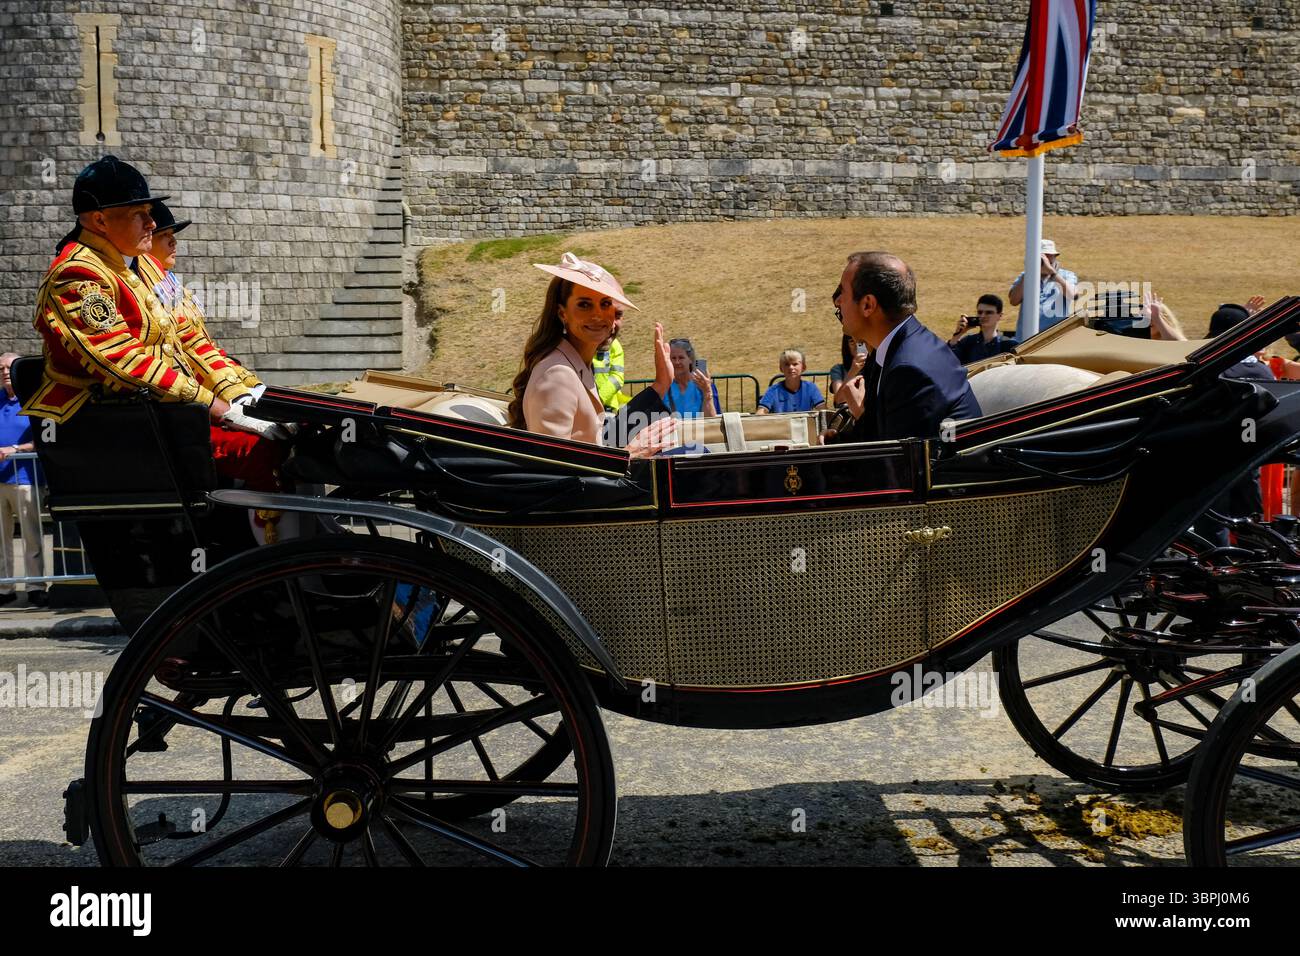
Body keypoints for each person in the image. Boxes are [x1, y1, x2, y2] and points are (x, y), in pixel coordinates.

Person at [23, 156, 288, 494]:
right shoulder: (77, 274)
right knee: (268, 452)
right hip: (113, 422)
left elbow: (192, 340)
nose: (152, 223)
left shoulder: (145, 265)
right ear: (100, 220)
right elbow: (126, 362)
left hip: (167, 412)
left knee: (294, 436)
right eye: (140, 214)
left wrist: (244, 396)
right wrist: (221, 410)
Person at [507, 253, 676, 457]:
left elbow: (599, 439)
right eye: (584, 305)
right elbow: (554, 470)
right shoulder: (557, 374)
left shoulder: (577, 364)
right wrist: (631, 455)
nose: (597, 315)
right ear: (562, 313)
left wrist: (661, 384)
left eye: (605, 304)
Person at [833, 251, 982, 442]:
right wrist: (834, 441)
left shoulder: (909, 369)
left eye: (843, 291)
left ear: (868, 305)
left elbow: (896, 462)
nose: (838, 301)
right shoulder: (890, 351)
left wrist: (860, 415)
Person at [132, 200, 262, 398]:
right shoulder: (146, 289)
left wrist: (246, 381)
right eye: (164, 235)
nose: (173, 242)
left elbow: (203, 344)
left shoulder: (174, 285)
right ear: (146, 241)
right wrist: (234, 392)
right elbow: (186, 348)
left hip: (209, 379)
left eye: (173, 235)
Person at [0, 353, 45, 607]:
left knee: (31, 536)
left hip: (25, 477)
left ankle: (36, 586)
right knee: (1, 538)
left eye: (9, 367)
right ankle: (5, 587)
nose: (5, 372)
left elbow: (41, 440)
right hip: (0, 481)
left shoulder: (33, 401)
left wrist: (15, 449)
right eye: (1, 368)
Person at [1008, 239, 1078, 332]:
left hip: (1054, 338)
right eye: (1042, 257)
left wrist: (1053, 273)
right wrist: (1029, 270)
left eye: (1049, 256)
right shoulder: (1026, 276)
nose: (1046, 260)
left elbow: (1073, 295)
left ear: (1055, 256)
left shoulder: (1067, 275)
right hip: (1026, 338)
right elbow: (1013, 301)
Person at [947, 294, 1019, 364]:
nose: (983, 316)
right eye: (980, 312)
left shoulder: (1009, 345)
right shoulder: (968, 341)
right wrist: (957, 335)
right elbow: (948, 362)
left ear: (1000, 316)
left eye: (989, 312)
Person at [758, 349, 825, 414]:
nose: (791, 367)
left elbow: (823, 409)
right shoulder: (773, 390)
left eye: (795, 364)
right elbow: (761, 413)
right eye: (787, 364)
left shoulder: (810, 387)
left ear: (803, 367)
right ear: (781, 368)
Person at [665, 337, 719, 418]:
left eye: (681, 358)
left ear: (690, 359)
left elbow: (712, 421)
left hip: (701, 430)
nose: (677, 362)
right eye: (673, 358)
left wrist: (707, 392)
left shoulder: (704, 386)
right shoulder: (664, 388)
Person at [592, 307, 630, 413]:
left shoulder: (615, 346)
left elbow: (617, 377)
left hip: (607, 408)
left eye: (617, 315)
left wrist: (598, 398)